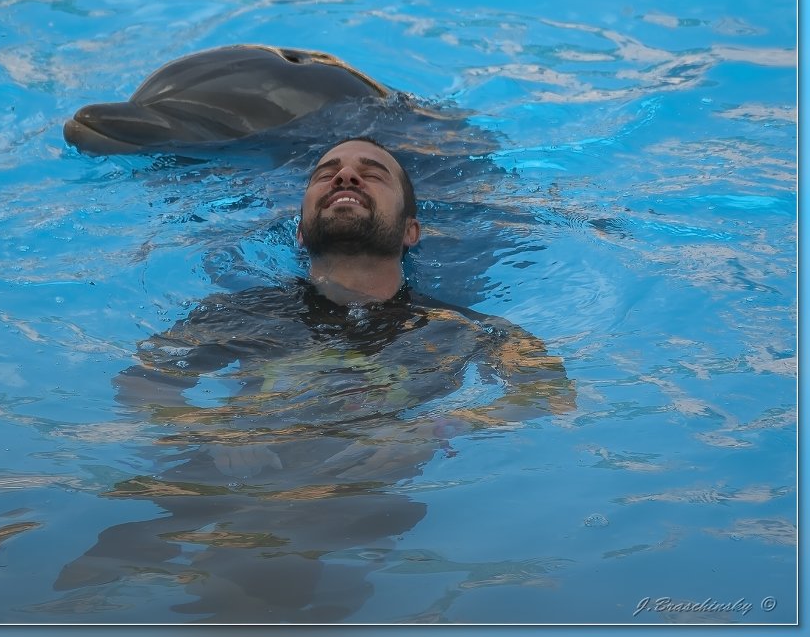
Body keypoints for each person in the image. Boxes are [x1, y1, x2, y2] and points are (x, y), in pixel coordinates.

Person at [52, 138, 575, 623]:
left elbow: (549, 393)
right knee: (70, 589)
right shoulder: (241, 316)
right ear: (301, 230)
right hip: (213, 477)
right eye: (328, 173)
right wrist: (209, 427)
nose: (345, 177)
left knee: (257, 580)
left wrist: (437, 428)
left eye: (371, 174)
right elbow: (144, 381)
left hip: (352, 503)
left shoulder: (459, 330)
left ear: (411, 231)